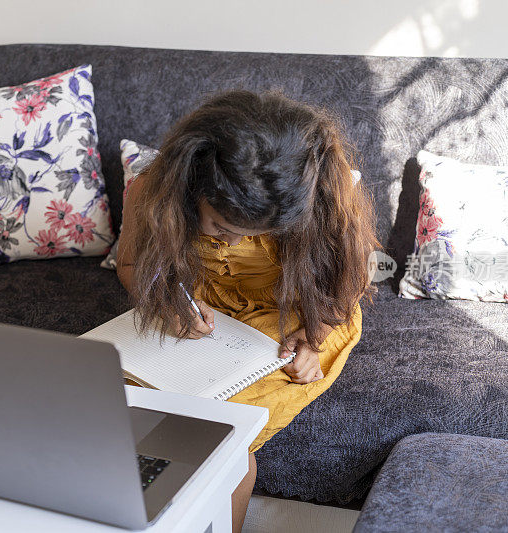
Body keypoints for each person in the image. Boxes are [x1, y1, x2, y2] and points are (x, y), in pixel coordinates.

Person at [115, 87, 380, 533]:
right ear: (190, 188)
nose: (231, 242)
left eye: (253, 232)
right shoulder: (153, 189)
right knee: (115, 403)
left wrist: (314, 336)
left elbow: (352, 277)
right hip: (208, 307)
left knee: (217, 433)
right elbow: (131, 264)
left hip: (301, 311)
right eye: (220, 226)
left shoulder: (324, 199)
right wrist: (166, 303)